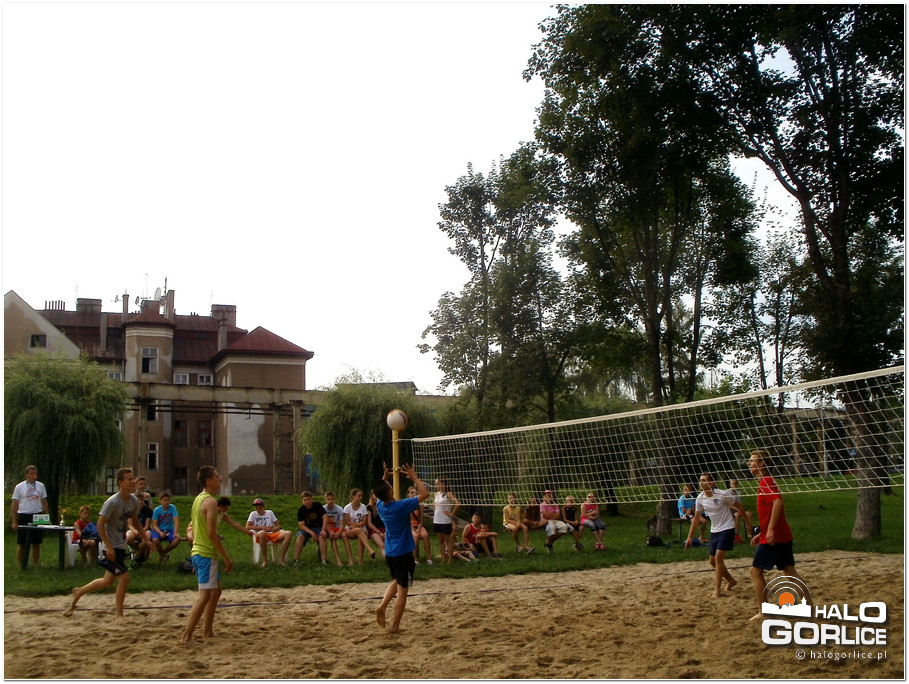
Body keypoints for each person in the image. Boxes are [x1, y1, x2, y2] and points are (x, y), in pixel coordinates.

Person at [64, 468, 142, 620]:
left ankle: (79, 591)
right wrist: (109, 546)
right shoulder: (112, 502)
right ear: (120, 483)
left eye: (133, 478)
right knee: (125, 578)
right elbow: (100, 525)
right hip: (111, 547)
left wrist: (146, 539)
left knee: (107, 582)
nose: (133, 481)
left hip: (120, 544)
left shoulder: (133, 501)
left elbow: (136, 522)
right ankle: (119, 614)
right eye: (129, 479)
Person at [748, 450, 809, 620]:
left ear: (762, 464)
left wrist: (770, 530)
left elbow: (777, 503)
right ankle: (809, 606)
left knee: (755, 572)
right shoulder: (765, 482)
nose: (749, 463)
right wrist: (762, 531)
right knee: (790, 572)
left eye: (752, 461)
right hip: (780, 534)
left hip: (775, 537)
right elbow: (770, 510)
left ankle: (763, 611)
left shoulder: (766, 481)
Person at [180, 465, 234, 645]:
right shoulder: (210, 502)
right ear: (209, 480)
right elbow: (211, 533)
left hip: (200, 552)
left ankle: (208, 631)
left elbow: (197, 528)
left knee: (216, 591)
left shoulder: (199, 498)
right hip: (206, 553)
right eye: (217, 476)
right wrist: (226, 556)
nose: (220, 479)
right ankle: (186, 637)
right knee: (204, 596)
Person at [374, 462, 430, 633]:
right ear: (390, 492)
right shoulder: (400, 506)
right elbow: (425, 494)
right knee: (403, 591)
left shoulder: (380, 505)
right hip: (403, 554)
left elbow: (378, 494)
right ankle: (395, 626)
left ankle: (382, 606)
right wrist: (414, 477)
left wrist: (384, 478)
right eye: (390, 486)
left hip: (390, 553)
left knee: (397, 580)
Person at [685, 473, 745, 599]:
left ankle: (717, 590)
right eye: (700, 480)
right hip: (715, 530)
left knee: (718, 558)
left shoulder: (722, 494)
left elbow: (738, 506)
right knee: (712, 561)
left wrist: (747, 522)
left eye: (704, 480)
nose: (701, 482)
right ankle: (731, 580)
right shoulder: (700, 498)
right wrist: (690, 537)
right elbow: (696, 518)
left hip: (728, 527)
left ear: (712, 483)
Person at [10, 465, 50, 568]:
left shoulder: (40, 486)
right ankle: (21, 564)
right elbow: (15, 504)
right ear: (26, 474)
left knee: (36, 543)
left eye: (35, 474)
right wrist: (14, 521)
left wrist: (47, 516)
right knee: (22, 543)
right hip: (24, 515)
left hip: (37, 515)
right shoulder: (19, 487)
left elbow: (44, 502)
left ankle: (36, 564)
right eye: (31, 474)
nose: (33, 476)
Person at [246, 498, 292, 567]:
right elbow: (248, 527)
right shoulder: (253, 514)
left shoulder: (269, 513)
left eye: (260, 508)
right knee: (262, 533)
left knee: (288, 533)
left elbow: (279, 526)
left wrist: (273, 529)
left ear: (264, 507)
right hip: (260, 534)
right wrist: (262, 527)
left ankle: (281, 559)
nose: (258, 510)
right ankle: (265, 561)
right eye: (256, 508)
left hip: (271, 533)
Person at [343, 488, 381, 564]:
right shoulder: (347, 507)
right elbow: (347, 522)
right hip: (350, 530)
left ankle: (360, 561)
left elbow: (363, 522)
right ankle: (369, 549)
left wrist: (354, 525)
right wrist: (356, 525)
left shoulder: (363, 507)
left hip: (362, 529)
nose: (361, 497)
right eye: (359, 496)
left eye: (361, 496)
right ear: (353, 496)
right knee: (358, 530)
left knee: (361, 534)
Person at [292, 491, 326, 565]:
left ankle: (324, 560)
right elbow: (301, 525)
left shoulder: (318, 506)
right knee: (300, 537)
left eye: (309, 499)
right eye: (305, 500)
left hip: (318, 527)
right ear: (302, 501)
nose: (307, 501)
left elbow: (325, 517)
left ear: (312, 499)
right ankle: (296, 560)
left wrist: (323, 529)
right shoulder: (301, 510)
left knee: (322, 537)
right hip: (306, 528)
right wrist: (312, 533)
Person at [432, 477, 460, 564]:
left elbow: (458, 503)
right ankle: (443, 558)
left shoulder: (448, 494)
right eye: (436, 483)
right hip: (437, 520)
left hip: (445, 520)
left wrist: (452, 514)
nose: (436, 485)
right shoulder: (436, 494)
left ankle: (450, 559)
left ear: (443, 484)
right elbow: (434, 506)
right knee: (440, 540)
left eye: (437, 483)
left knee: (448, 540)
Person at [321, 491, 352, 566]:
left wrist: (339, 532)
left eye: (332, 499)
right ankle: (338, 560)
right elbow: (323, 523)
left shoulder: (339, 509)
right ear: (325, 500)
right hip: (328, 528)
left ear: (334, 500)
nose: (330, 501)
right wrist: (329, 531)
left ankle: (351, 560)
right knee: (333, 538)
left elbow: (342, 523)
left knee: (344, 536)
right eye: (328, 499)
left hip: (338, 527)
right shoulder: (323, 509)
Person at [150, 491, 182, 562]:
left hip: (169, 529)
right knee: (155, 540)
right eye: (164, 500)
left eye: (168, 500)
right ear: (160, 501)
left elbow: (176, 520)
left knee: (178, 539)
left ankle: (163, 553)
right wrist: (160, 532)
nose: (166, 502)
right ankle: (164, 556)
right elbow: (154, 525)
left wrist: (176, 532)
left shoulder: (172, 507)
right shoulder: (157, 510)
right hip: (159, 529)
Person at [540, 489, 571, 553]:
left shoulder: (555, 504)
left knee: (564, 527)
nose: (548, 496)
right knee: (552, 527)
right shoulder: (542, 504)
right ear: (544, 497)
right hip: (546, 521)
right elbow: (545, 515)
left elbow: (558, 515)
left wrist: (552, 515)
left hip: (555, 520)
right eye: (546, 495)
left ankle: (549, 542)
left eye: (549, 495)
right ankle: (550, 545)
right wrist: (553, 514)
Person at [408, 486, 433, 565]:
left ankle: (429, 558)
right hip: (409, 526)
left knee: (425, 535)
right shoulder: (406, 504)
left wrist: (418, 529)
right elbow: (405, 520)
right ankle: (415, 559)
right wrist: (412, 528)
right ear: (408, 494)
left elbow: (421, 520)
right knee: (415, 537)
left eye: (415, 493)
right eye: (412, 493)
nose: (414, 494)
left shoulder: (420, 505)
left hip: (418, 525)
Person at [727, 478, 754, 544]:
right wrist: (737, 509)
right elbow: (728, 504)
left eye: (735, 484)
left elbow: (739, 503)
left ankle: (750, 532)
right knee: (737, 515)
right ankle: (736, 534)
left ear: (737, 484)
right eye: (732, 484)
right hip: (731, 508)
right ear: (730, 484)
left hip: (738, 507)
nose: (734, 485)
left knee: (748, 514)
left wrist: (740, 509)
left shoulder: (739, 492)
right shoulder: (727, 492)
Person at [366, 492, 387, 558]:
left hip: (384, 529)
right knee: (381, 545)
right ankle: (388, 560)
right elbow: (369, 523)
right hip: (374, 530)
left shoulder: (383, 506)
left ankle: (393, 558)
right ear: (372, 495)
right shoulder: (369, 507)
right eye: (375, 495)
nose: (377, 497)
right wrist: (379, 532)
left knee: (389, 544)